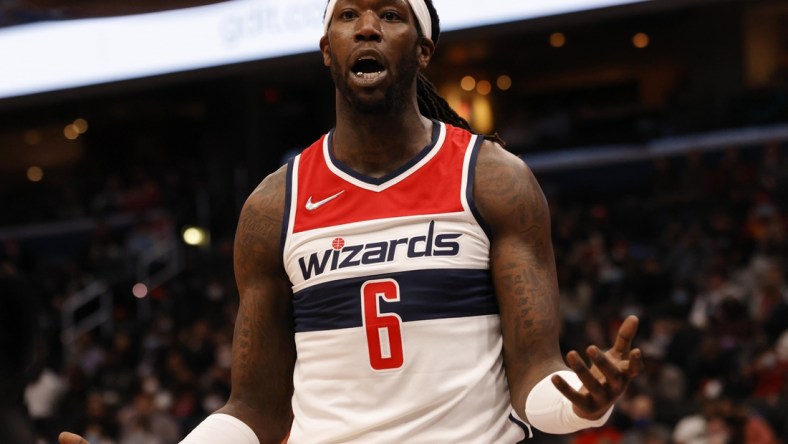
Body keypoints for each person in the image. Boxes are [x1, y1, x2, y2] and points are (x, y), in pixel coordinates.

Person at [61, 0, 643, 442]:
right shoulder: (273, 205)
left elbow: (535, 376)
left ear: (422, 49)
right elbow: (255, 410)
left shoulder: (493, 178)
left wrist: (583, 404)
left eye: (390, 14)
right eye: (349, 16)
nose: (367, 27)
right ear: (326, 49)